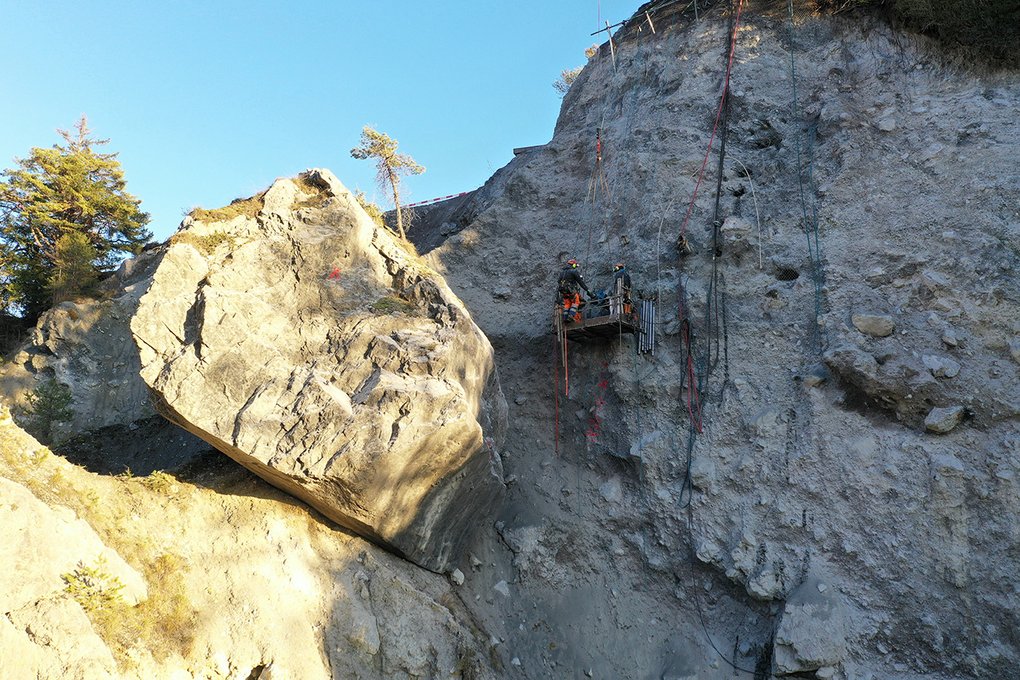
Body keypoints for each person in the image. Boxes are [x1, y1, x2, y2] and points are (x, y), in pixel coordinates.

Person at [557, 258, 591, 323]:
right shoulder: (573, 271)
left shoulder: (562, 272)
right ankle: (571, 316)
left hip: (563, 291)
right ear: (573, 264)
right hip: (570, 290)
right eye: (575, 265)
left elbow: (559, 281)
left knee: (567, 304)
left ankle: (565, 318)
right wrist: (587, 290)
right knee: (576, 302)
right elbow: (580, 282)